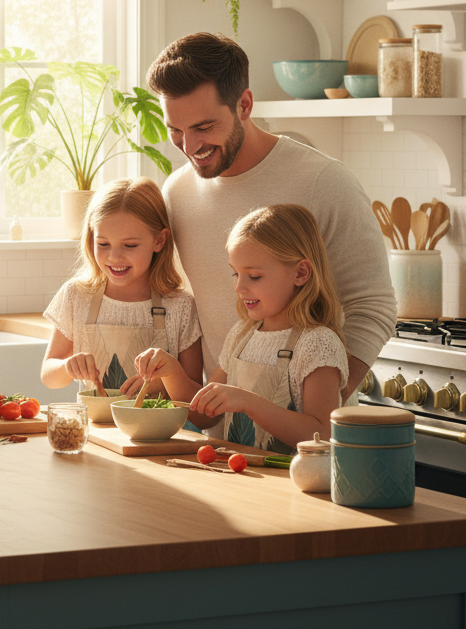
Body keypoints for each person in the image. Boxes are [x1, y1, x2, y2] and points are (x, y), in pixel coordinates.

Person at [145, 32, 395, 405]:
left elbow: (374, 306)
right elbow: (184, 306)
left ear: (244, 104)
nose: (190, 146)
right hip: (223, 438)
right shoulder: (177, 193)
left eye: (203, 127)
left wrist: (315, 406)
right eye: (175, 130)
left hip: (308, 445)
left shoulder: (323, 181)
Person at [136, 204, 347, 453]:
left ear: (300, 273)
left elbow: (322, 435)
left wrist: (248, 402)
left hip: (289, 486)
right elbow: (205, 417)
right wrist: (171, 372)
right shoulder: (242, 335)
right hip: (239, 479)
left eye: (254, 276)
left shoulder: (318, 343)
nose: (239, 287)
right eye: (235, 274)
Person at [39, 177, 202, 397]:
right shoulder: (76, 296)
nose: (114, 257)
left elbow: (196, 401)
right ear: (90, 238)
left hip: (158, 432)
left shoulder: (180, 306)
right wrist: (68, 366)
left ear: (159, 241)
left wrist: (165, 383)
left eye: (130, 245)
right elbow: (48, 376)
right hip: (96, 430)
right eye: (103, 244)